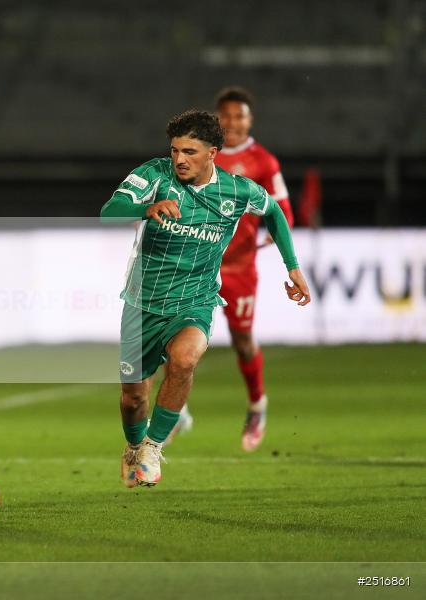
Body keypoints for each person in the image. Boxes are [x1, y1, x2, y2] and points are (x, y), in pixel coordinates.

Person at [100, 109, 310, 488]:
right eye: (175, 150)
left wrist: (292, 265)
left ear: (213, 152)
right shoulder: (154, 175)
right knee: (133, 398)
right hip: (142, 302)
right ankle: (133, 447)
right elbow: (108, 212)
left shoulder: (236, 189)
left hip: (195, 300)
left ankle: (152, 447)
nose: (179, 159)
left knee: (184, 359)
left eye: (190, 152)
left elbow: (273, 209)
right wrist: (143, 209)